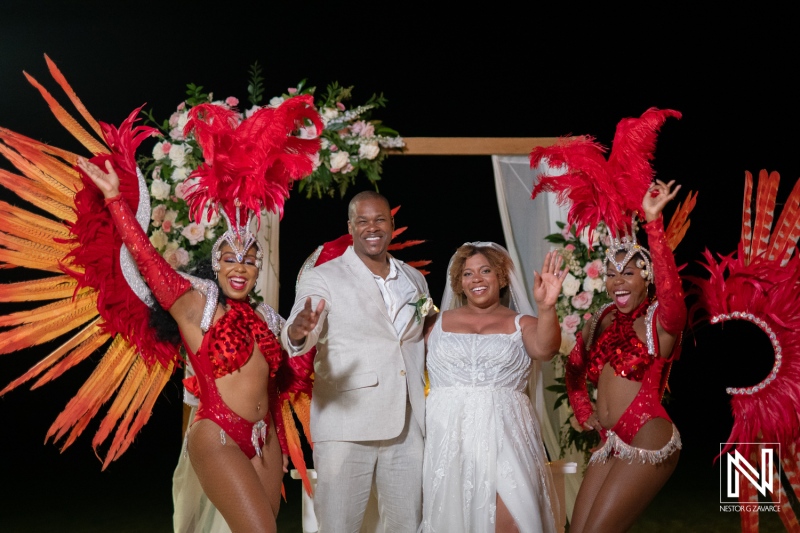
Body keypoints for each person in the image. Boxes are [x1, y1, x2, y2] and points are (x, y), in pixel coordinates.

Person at [75, 95, 322, 533]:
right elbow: (147, 259)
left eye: (249, 260)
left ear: (257, 268)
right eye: (231, 259)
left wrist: (300, 336)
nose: (240, 267)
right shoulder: (196, 304)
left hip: (265, 442)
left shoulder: (267, 318)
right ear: (217, 262)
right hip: (219, 436)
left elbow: (288, 377)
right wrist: (115, 201)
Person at [280, 190, 431, 532]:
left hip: (407, 425)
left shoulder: (414, 279)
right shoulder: (324, 277)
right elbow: (303, 323)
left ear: (392, 225)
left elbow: (417, 337)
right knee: (339, 525)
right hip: (346, 424)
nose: (371, 227)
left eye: (379, 219)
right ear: (350, 227)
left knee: (408, 523)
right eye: (362, 221)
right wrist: (300, 331)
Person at [564, 180, 685, 533]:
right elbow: (574, 372)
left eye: (629, 274)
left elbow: (674, 299)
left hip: (648, 433)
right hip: (611, 440)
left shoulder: (658, 321)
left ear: (646, 280)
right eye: (612, 274)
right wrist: (585, 412)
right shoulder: (599, 320)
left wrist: (653, 224)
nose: (618, 281)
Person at [421, 242, 566, 533]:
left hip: (506, 435)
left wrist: (547, 307)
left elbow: (545, 349)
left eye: (485, 271)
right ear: (458, 283)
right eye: (468, 273)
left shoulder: (522, 322)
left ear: (501, 277)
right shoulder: (432, 324)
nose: (476, 279)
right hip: (449, 436)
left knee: (514, 518)